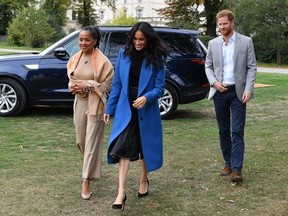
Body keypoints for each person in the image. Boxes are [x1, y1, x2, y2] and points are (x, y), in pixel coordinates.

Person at [103, 22, 167, 210]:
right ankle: (121, 192)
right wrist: (109, 109)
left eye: (142, 39)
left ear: (148, 40)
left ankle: (144, 180)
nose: (138, 43)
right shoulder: (124, 55)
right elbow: (117, 85)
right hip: (126, 109)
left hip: (146, 110)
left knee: (145, 147)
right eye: (135, 39)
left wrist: (147, 98)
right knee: (123, 147)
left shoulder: (157, 58)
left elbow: (160, 88)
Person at [205, 10, 257, 183]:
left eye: (224, 24)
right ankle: (228, 163)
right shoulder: (213, 44)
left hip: (238, 93)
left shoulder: (246, 41)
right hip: (220, 92)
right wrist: (214, 83)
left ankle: (236, 169)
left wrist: (248, 89)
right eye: (219, 24)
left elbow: (252, 67)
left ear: (232, 23)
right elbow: (208, 66)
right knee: (223, 130)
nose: (221, 27)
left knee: (237, 131)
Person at [67, 26, 114, 200]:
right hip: (80, 102)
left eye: (87, 40)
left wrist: (87, 85)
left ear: (95, 41)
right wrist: (77, 87)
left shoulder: (103, 62)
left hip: (97, 106)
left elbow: (107, 86)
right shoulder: (74, 59)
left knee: (92, 142)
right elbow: (71, 81)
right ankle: (91, 165)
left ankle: (86, 180)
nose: (83, 43)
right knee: (81, 141)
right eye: (80, 39)